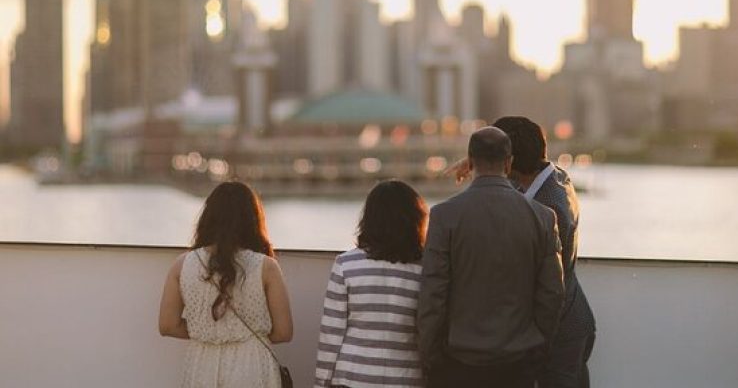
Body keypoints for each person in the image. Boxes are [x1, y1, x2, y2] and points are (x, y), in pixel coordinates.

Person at [418, 126, 565, 388]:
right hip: (517, 362)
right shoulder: (542, 217)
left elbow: (433, 293)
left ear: (471, 161)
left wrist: (431, 355)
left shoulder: (444, 216)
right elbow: (552, 293)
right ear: (508, 164)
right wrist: (537, 346)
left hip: (457, 361)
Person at [493, 116, 596, 388]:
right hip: (570, 318)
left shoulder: (549, 208)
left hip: (561, 331)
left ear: (509, 161)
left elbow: (546, 285)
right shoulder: (553, 177)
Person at [158, 181, 293, 388]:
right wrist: (246, 337)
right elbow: (284, 332)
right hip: (252, 366)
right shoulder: (266, 267)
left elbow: (167, 325)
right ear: (252, 219)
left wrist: (206, 332)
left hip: (201, 363)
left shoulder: (182, 265)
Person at [314, 179, 428, 387]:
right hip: (405, 378)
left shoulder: (346, 264)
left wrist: (321, 383)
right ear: (415, 220)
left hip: (352, 376)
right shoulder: (426, 269)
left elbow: (331, 333)